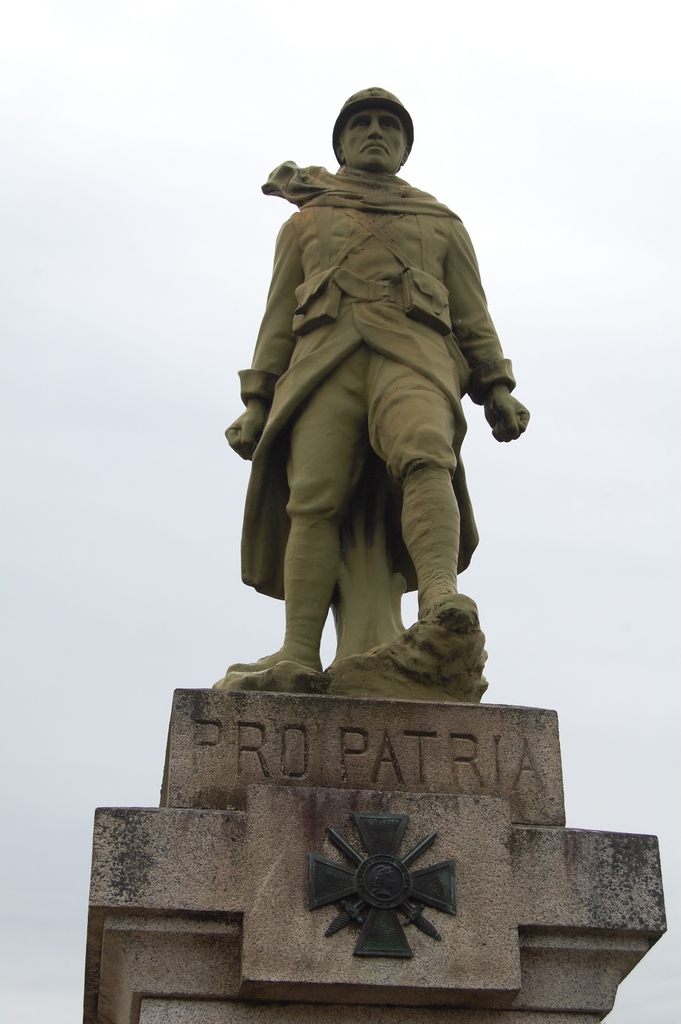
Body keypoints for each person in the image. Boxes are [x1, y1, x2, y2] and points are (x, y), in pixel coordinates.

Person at [225, 88, 529, 678]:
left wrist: (497, 386)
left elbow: (472, 312)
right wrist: (256, 402)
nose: (375, 132)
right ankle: (298, 654)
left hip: (413, 355)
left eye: (389, 125)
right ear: (340, 142)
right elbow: (276, 317)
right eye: (360, 123)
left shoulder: (440, 223)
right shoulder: (306, 221)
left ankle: (440, 598)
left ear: (405, 147)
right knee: (313, 500)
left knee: (425, 455)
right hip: (324, 363)